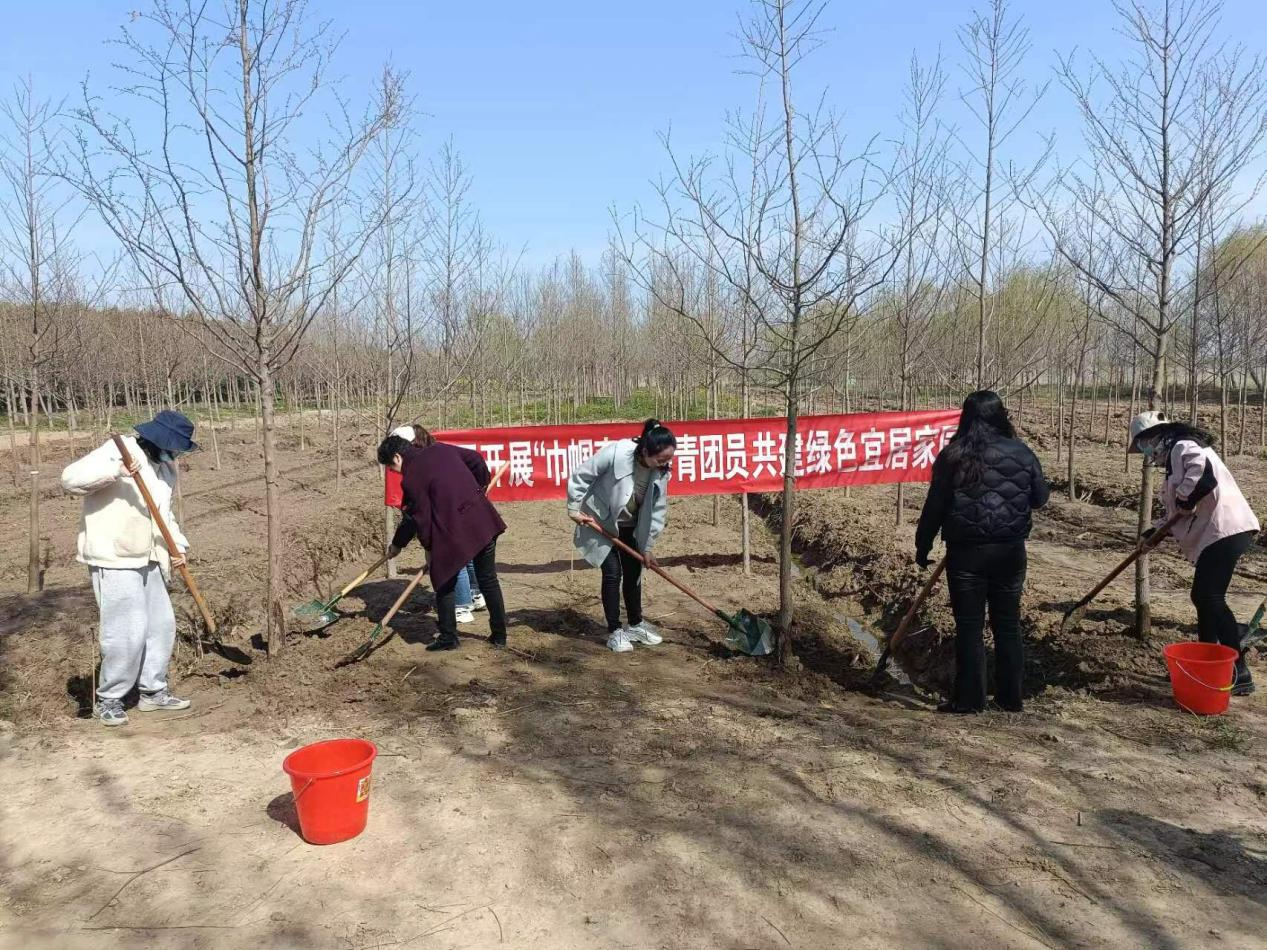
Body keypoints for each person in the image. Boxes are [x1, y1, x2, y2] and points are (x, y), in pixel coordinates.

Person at [61, 410, 198, 726]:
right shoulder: (118, 450)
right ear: (155, 439)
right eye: (172, 446)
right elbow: (70, 479)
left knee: (162, 626)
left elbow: (165, 515)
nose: (174, 453)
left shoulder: (165, 468)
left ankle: (153, 691)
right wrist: (116, 471)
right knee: (127, 630)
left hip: (150, 555)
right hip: (115, 556)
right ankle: (109, 699)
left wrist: (178, 547)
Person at [915, 391, 1049, 714]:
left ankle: (970, 701)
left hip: (966, 556)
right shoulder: (1022, 453)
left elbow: (935, 506)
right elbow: (1040, 497)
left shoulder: (952, 456)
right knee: (1007, 624)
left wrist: (924, 545)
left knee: (970, 626)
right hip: (1010, 553)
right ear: (1001, 417)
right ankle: (1010, 699)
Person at [1129, 411, 1261, 695]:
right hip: (1216, 533)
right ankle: (1207, 664)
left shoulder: (1183, 445)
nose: (1144, 452)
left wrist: (1186, 497)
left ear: (1154, 436)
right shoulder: (1173, 462)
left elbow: (1202, 477)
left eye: (1143, 445)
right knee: (1203, 599)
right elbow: (1177, 511)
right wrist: (1153, 534)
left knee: (1208, 596)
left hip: (1227, 528)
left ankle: (1238, 671)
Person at [379, 427, 508, 650]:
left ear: (398, 456)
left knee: (443, 580)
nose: (395, 471)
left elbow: (414, 519)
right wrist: (478, 488)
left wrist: (411, 546)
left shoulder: (411, 478)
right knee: (488, 579)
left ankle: (449, 637)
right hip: (483, 520)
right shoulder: (440, 449)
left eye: (392, 466)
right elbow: (476, 459)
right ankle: (499, 635)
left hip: (456, 531)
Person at [567, 419, 677, 653]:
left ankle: (635, 624)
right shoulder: (617, 452)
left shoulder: (661, 473)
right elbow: (582, 474)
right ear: (646, 451)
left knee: (634, 571)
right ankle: (614, 631)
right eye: (661, 459)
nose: (665, 464)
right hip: (600, 520)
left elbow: (657, 510)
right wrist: (574, 508)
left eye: (669, 459)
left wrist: (647, 547)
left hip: (632, 525)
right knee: (612, 573)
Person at [385, 425, 481, 624]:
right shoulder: (438, 451)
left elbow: (412, 515)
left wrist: (400, 545)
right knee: (468, 552)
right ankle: (475, 595)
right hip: (464, 510)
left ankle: (462, 606)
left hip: (450, 515)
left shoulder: (420, 466)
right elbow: (474, 460)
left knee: (456, 557)